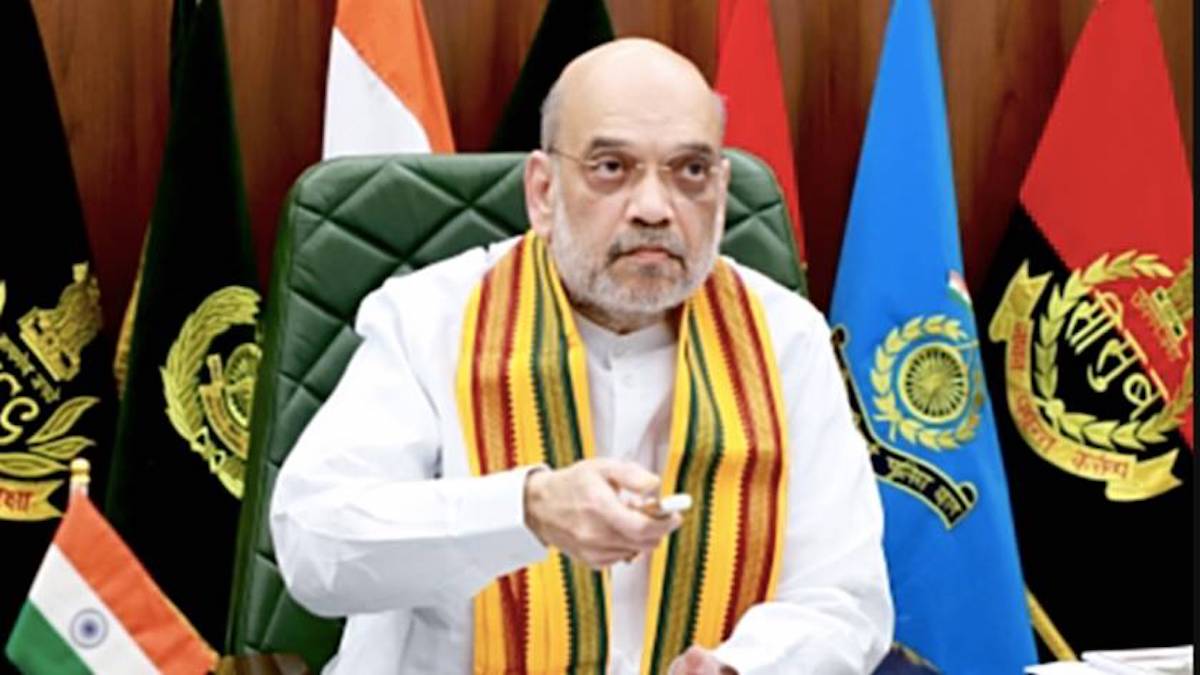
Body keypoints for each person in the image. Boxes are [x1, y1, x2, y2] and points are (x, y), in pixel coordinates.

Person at [270, 38, 893, 674]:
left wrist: (744, 667)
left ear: (722, 190)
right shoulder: (430, 321)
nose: (654, 209)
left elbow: (844, 597)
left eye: (690, 171)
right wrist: (525, 509)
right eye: (611, 168)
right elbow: (314, 548)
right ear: (543, 191)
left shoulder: (785, 338)